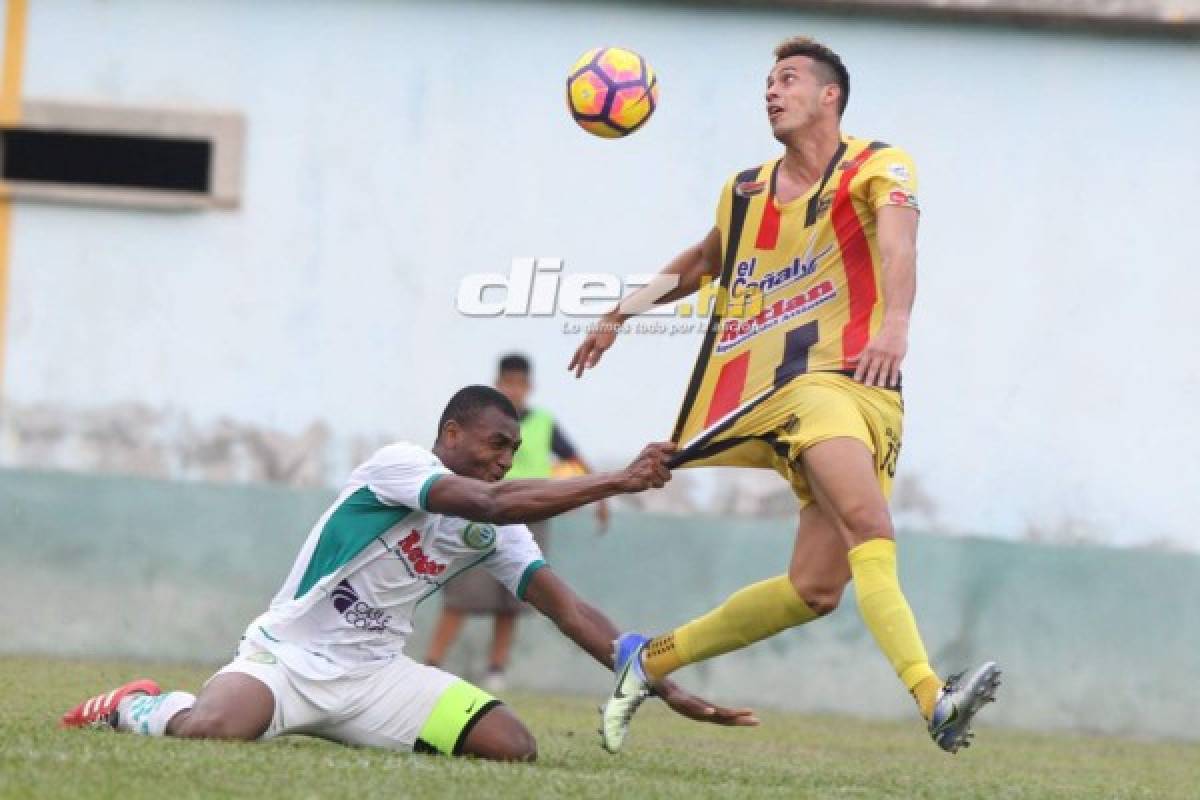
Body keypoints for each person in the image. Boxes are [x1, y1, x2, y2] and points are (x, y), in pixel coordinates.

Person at [569, 37, 999, 755]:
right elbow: (707, 262)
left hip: (873, 394)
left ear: (830, 96)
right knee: (871, 525)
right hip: (802, 392)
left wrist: (895, 324)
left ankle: (646, 660)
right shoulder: (745, 191)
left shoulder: (880, 165)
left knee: (814, 590)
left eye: (789, 79)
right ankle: (935, 698)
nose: (772, 91)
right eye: (768, 81)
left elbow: (899, 247)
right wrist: (619, 313)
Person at [60, 386, 757, 760]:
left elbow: (569, 609)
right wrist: (617, 481)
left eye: (513, 449)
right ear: (451, 434)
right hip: (287, 659)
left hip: (376, 679)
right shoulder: (398, 467)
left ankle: (362, 725)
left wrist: (662, 683)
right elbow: (485, 498)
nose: (504, 459)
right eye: (495, 443)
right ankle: (139, 705)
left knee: (512, 747)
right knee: (211, 733)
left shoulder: (496, 529)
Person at [425, 354, 608, 691]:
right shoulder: (478, 420)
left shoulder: (543, 422)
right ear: (498, 383)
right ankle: (432, 663)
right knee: (461, 595)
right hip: (479, 506)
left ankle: (497, 670)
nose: (514, 390)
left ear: (530, 387)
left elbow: (573, 458)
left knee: (514, 597)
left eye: (520, 384)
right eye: (508, 382)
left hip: (527, 514)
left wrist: (600, 494)